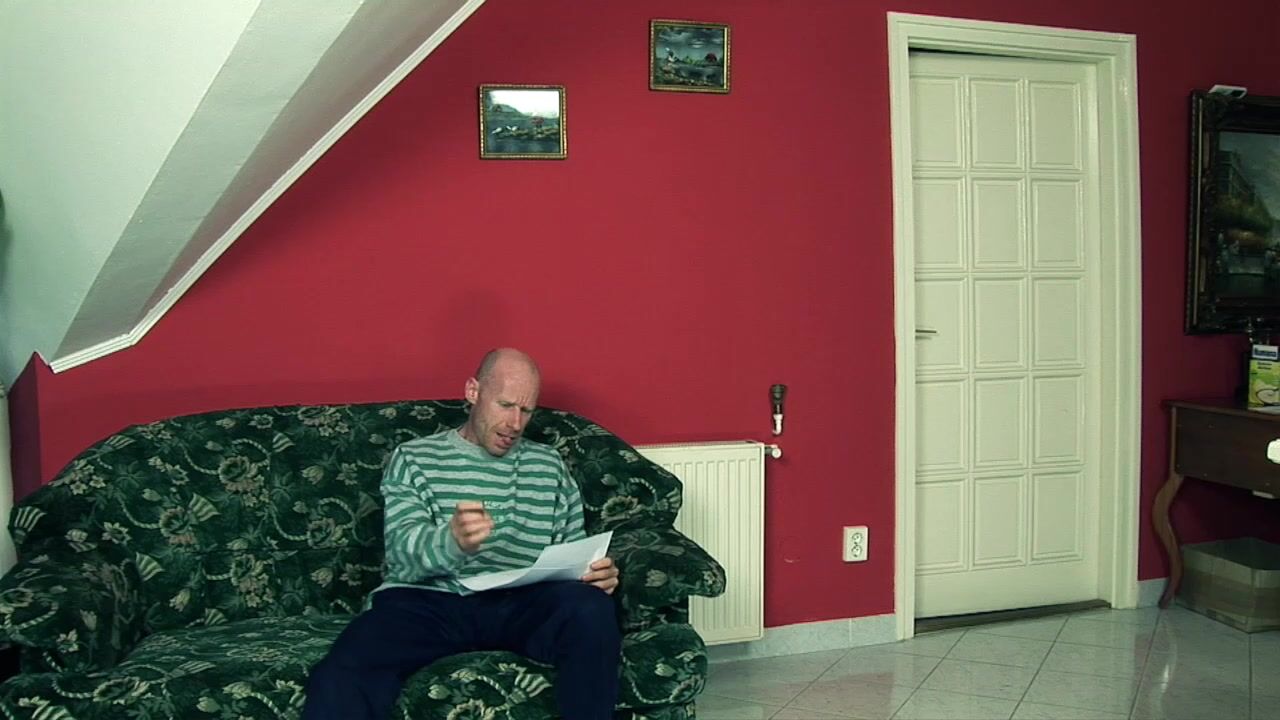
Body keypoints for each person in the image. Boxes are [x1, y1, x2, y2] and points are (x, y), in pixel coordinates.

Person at [302, 348, 622, 720]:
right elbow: (402, 556)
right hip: (429, 602)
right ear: (473, 392)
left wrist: (593, 575)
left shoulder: (549, 465)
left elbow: (570, 551)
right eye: (505, 405)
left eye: (526, 410)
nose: (515, 424)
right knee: (346, 667)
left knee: (590, 608)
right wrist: (450, 541)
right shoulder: (414, 458)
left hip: (519, 604)